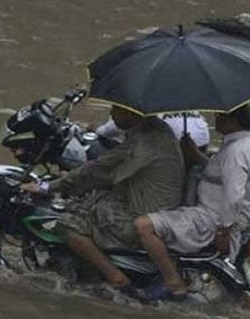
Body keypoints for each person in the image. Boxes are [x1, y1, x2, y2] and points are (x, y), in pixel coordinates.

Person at [23, 105, 184, 294]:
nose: (112, 114)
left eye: (116, 110)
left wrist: (48, 187)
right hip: (157, 204)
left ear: (131, 113)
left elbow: (97, 169)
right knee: (87, 199)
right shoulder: (158, 129)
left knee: (67, 224)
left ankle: (115, 277)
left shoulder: (140, 144)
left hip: (141, 212)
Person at [133, 103, 250, 301]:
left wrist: (223, 231)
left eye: (222, 115)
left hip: (211, 219)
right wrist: (195, 154)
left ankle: (173, 283)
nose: (216, 117)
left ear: (234, 121)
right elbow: (222, 175)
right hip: (219, 217)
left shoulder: (235, 152)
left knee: (143, 226)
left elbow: (233, 197)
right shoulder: (248, 145)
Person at [95, 111, 210, 153]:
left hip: (180, 149)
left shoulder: (145, 103)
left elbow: (110, 130)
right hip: (202, 145)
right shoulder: (186, 100)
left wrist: (96, 131)